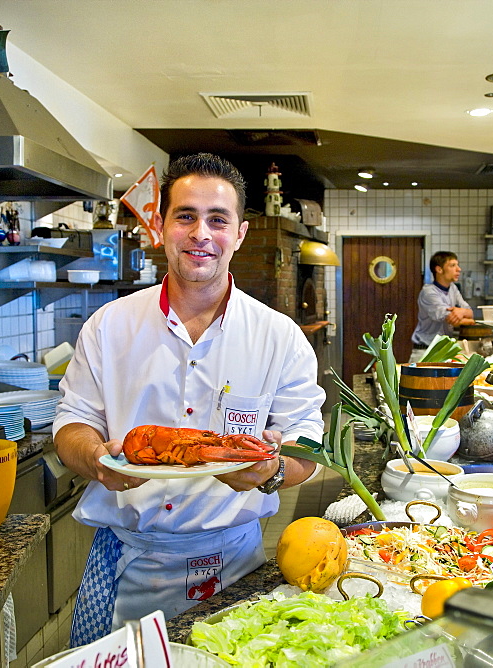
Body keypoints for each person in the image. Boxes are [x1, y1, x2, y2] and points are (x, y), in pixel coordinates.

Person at [54, 153, 325, 644]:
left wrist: (275, 470)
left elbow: (308, 440)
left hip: (236, 565)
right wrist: (95, 459)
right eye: (186, 216)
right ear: (161, 226)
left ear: (239, 234)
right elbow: (72, 422)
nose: (202, 233)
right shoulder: (109, 326)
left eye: (218, 220)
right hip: (129, 564)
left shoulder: (278, 336)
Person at [410, 251, 474, 360]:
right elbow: (450, 318)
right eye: (452, 265)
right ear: (439, 269)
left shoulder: (453, 288)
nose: (458, 269)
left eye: (457, 265)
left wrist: (461, 311)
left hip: (444, 350)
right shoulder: (429, 292)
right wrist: (466, 317)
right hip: (426, 351)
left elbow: (469, 312)